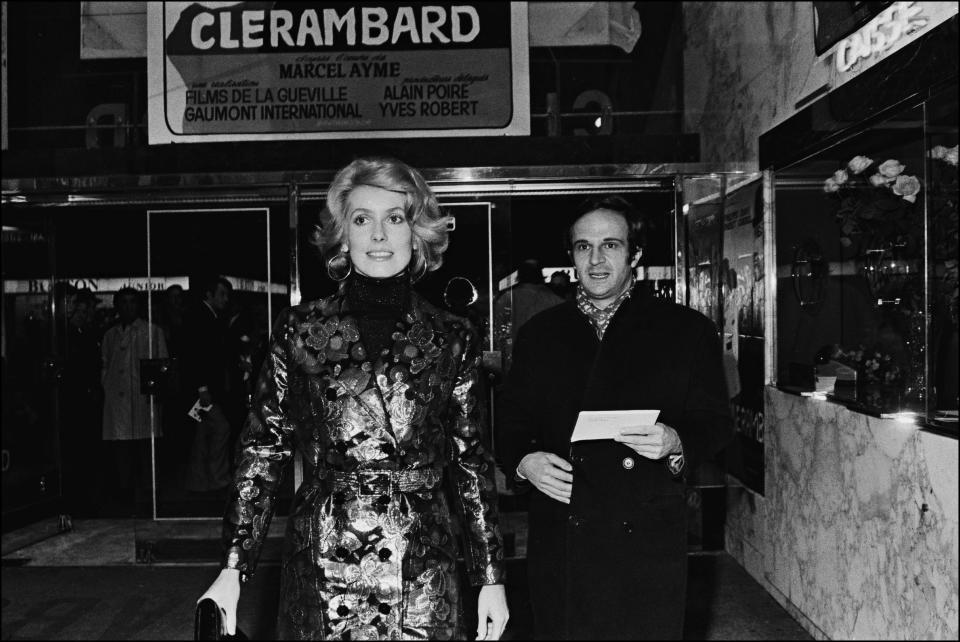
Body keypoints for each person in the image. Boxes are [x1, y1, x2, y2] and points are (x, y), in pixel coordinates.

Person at [199, 157, 509, 640]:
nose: (379, 235)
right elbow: (263, 451)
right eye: (363, 219)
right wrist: (232, 567)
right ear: (343, 236)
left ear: (417, 232)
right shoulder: (300, 329)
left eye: (396, 218)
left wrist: (490, 577)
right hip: (324, 559)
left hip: (422, 564)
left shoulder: (453, 336)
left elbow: (469, 461)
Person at [496, 195, 733, 639]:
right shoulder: (540, 335)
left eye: (611, 245)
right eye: (584, 247)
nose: (597, 259)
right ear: (571, 257)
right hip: (564, 527)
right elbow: (508, 422)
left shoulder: (685, 330)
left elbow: (715, 420)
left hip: (645, 528)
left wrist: (676, 441)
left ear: (636, 255)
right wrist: (524, 461)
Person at [101, 287, 168, 507]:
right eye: (124, 302)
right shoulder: (110, 334)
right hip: (117, 401)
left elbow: (162, 366)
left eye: (132, 302)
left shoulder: (152, 331)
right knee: (121, 451)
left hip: (142, 399)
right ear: (117, 306)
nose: (128, 307)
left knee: (144, 450)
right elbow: (105, 365)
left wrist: (156, 393)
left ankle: (149, 496)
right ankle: (124, 496)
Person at [183, 276, 234, 492]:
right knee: (221, 429)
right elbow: (196, 355)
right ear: (209, 295)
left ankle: (198, 481)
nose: (226, 299)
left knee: (203, 433)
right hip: (203, 390)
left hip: (203, 389)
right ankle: (217, 478)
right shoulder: (202, 318)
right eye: (221, 294)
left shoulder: (208, 316)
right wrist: (202, 388)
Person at [492, 259, 564, 374]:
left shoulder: (506, 299)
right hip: (546, 367)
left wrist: (492, 372)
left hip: (514, 368)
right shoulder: (555, 301)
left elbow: (493, 338)